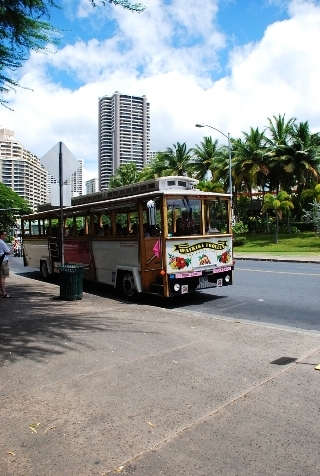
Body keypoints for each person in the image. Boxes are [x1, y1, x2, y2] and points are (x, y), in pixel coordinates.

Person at [0, 230, 12, 298]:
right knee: (3, 277)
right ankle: (4, 293)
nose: (6, 236)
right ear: (1, 235)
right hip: (3, 261)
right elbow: (8, 252)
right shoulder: (2, 243)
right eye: (5, 235)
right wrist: (10, 251)